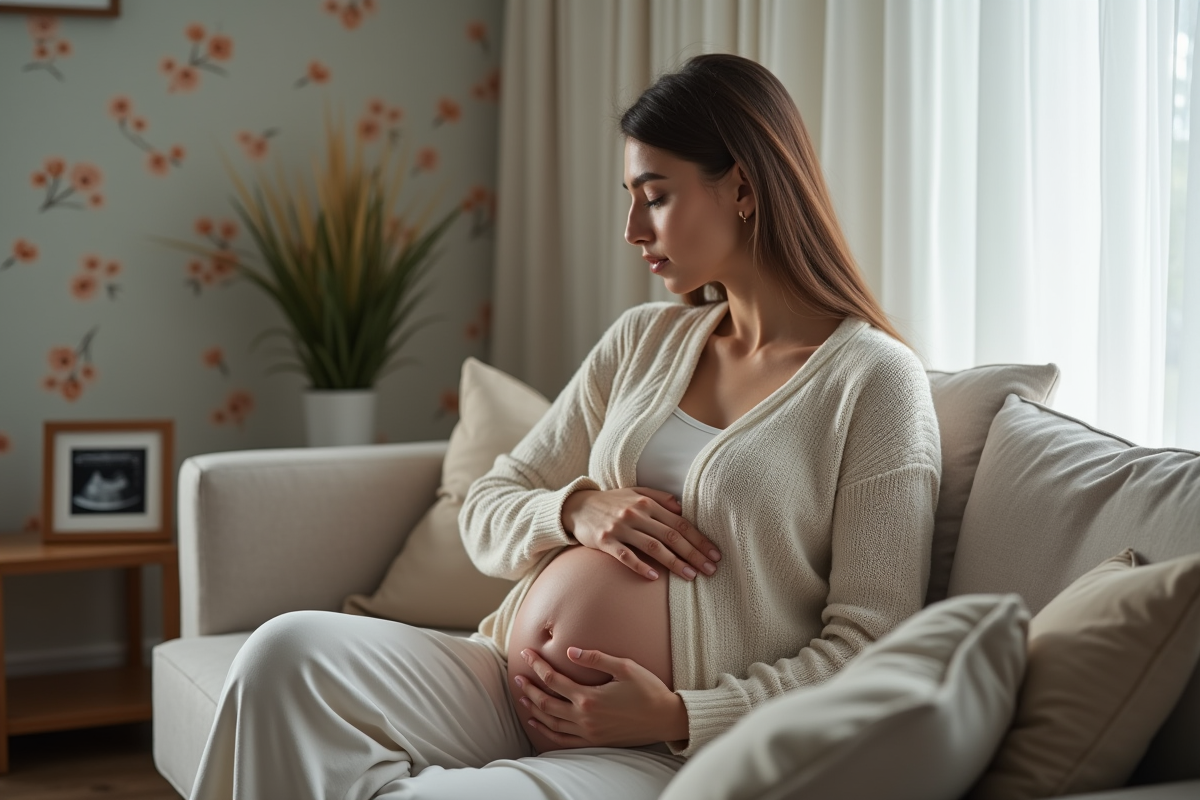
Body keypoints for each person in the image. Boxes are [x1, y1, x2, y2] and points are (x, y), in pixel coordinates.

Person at [189, 52, 940, 800]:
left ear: (743, 186)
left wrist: (682, 715)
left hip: (663, 751)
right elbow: (487, 504)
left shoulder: (873, 382)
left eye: (656, 196)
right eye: (630, 197)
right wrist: (574, 510)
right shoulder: (643, 343)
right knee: (282, 655)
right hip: (498, 680)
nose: (631, 229)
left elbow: (877, 649)